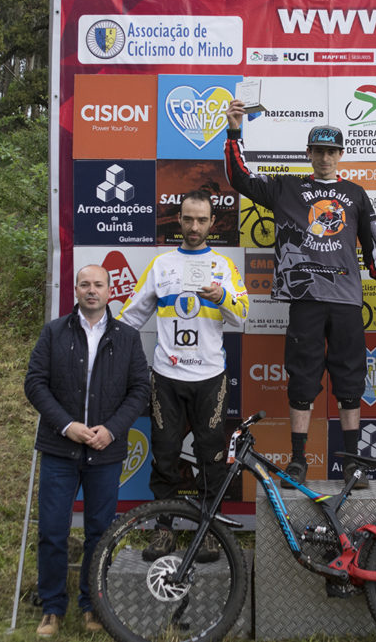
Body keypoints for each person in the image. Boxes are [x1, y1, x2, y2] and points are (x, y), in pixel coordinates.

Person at [224, 100, 376, 488]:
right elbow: (240, 178)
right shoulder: (286, 187)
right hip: (305, 298)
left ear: (341, 154)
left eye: (331, 151)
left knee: (350, 383)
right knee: (302, 381)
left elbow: (373, 245)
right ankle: (298, 460)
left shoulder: (355, 194)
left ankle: (353, 462)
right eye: (318, 151)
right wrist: (235, 130)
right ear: (308, 153)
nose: (325, 158)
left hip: (346, 301)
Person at [116, 189, 248, 561]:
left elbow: (242, 316)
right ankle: (163, 530)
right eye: (188, 219)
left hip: (209, 377)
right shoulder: (161, 265)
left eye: (201, 220)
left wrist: (221, 297)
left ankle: (208, 532)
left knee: (211, 455)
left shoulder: (223, 265)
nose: (194, 226)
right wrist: (104, 350)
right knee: (165, 454)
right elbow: (129, 317)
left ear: (212, 222)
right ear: (178, 219)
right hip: (167, 377)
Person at [24, 265, 151, 637]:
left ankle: (92, 605)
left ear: (110, 291)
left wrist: (111, 430)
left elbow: (140, 390)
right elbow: (35, 383)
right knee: (52, 531)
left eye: (98, 284)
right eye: (85, 284)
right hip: (59, 448)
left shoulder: (128, 337)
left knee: (100, 533)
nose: (91, 290)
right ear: (76, 290)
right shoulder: (54, 332)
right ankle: (51, 608)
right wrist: (67, 426)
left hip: (104, 452)